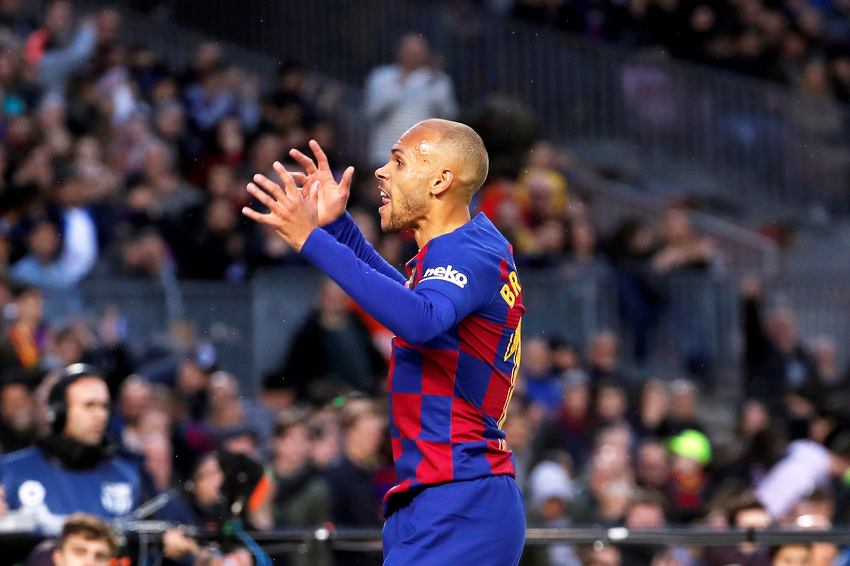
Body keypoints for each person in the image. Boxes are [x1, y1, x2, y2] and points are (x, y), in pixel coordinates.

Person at [242, 118, 526, 565]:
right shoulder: (466, 249)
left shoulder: (466, 253)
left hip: (460, 502)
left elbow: (417, 319)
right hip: (442, 498)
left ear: (440, 180)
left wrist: (310, 239)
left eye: (399, 161)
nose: (381, 172)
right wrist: (338, 229)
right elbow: (408, 306)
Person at [0, 364, 154, 533]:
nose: (101, 415)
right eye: (89, 405)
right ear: (58, 412)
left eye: (104, 406)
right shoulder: (9, 473)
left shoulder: (128, 477)